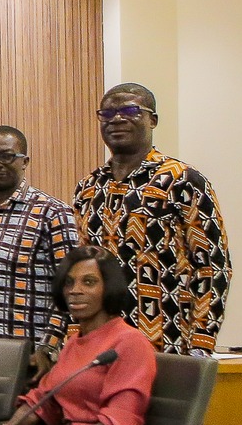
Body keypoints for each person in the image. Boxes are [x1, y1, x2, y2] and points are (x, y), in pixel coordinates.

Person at [0, 247, 159, 425]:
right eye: (69, 282)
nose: (74, 290)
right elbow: (42, 400)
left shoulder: (130, 343)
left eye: (88, 282)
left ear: (109, 288)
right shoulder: (73, 343)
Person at [72, 84, 232, 356]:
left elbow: (213, 268)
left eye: (130, 110)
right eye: (107, 113)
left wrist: (201, 344)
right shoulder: (89, 186)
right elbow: (80, 267)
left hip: (163, 342)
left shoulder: (182, 180)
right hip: (98, 344)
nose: (117, 119)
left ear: (153, 120)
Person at [0, 126, 82, 370]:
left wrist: (48, 347)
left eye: (7, 156)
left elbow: (70, 286)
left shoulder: (52, 212)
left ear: (25, 162)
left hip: (26, 355)